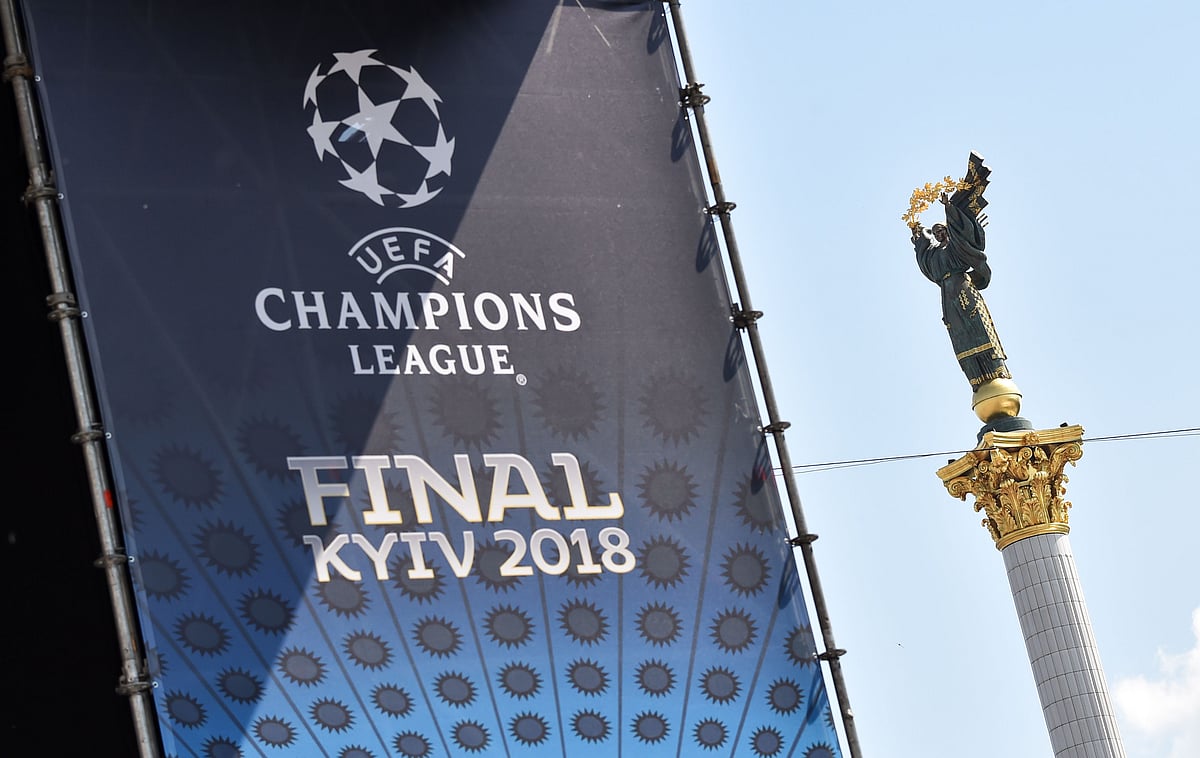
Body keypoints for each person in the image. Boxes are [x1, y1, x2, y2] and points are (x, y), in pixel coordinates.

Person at [911, 192, 1011, 391]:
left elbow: (961, 234)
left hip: (963, 289)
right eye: (935, 232)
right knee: (959, 334)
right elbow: (924, 254)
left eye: (942, 230)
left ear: (948, 230)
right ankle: (976, 376)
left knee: (977, 327)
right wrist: (917, 234)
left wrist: (949, 207)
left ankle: (996, 369)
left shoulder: (956, 247)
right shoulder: (934, 255)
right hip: (948, 296)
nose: (939, 234)